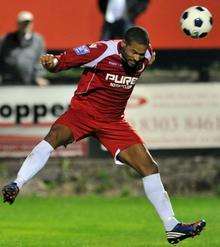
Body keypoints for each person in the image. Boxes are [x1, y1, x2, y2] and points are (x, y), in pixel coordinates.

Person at [2, 26, 205, 245]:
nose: (138, 58)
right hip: (83, 113)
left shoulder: (146, 56)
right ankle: (16, 183)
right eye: (134, 52)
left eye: (141, 53)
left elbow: (148, 57)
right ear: (123, 45)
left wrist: (144, 57)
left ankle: (172, 227)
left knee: (150, 167)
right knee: (53, 137)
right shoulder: (101, 50)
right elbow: (61, 62)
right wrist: (51, 63)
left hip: (113, 121)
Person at [0, 11, 49, 86]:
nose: (26, 25)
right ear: (18, 24)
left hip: (30, 81)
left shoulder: (38, 40)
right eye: (23, 23)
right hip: (8, 81)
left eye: (28, 23)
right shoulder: (6, 39)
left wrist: (38, 76)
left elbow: (41, 59)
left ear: (32, 24)